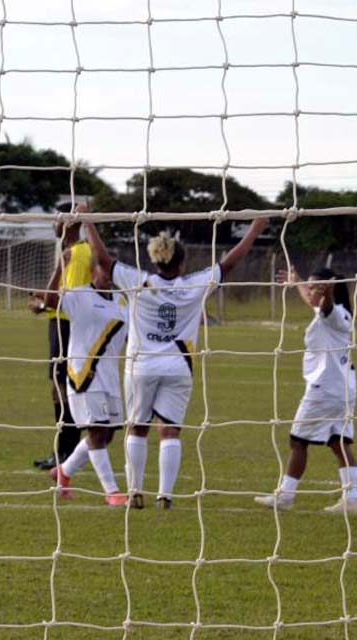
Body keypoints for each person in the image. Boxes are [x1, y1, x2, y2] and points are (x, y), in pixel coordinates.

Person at [85, 216, 268, 509]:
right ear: (181, 263)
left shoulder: (139, 282)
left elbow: (104, 261)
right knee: (170, 430)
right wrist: (255, 230)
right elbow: (228, 265)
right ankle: (165, 496)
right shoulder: (194, 285)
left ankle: (135, 492)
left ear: (156, 260)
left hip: (141, 366)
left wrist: (87, 222)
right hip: (178, 368)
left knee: (137, 428)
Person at [255, 268, 357, 514]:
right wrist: (298, 283)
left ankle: (286, 496)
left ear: (328, 290)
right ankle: (352, 499)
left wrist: (326, 294)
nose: (311, 291)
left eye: (316, 287)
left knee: (298, 440)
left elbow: (325, 307)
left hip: (324, 390)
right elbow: (315, 302)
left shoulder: (333, 314)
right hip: (344, 389)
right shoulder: (341, 314)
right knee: (339, 443)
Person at [39, 253, 129, 506]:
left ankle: (63, 472)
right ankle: (112, 492)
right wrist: (59, 267)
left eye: (111, 271)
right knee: (97, 432)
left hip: (110, 377)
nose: (108, 276)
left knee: (108, 435)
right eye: (103, 270)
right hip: (85, 376)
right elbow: (48, 300)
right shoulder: (79, 295)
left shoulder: (123, 300)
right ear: (93, 272)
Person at [28, 206, 92, 471]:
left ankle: (67, 450)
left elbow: (67, 298)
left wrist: (41, 301)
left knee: (64, 388)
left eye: (58, 217)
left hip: (68, 328)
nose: (54, 222)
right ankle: (62, 449)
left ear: (70, 223)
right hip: (60, 325)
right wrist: (43, 303)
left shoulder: (77, 254)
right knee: (58, 387)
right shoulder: (70, 252)